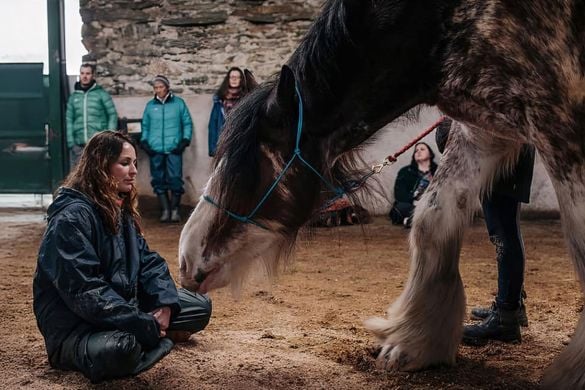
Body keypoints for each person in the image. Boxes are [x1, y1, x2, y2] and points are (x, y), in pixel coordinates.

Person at [33, 131, 211, 383]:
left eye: (135, 163)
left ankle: (154, 333)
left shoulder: (117, 206)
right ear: (100, 165)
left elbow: (149, 262)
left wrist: (164, 305)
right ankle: (154, 337)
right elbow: (85, 291)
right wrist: (139, 321)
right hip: (77, 327)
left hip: (123, 306)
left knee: (198, 306)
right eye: (125, 163)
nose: (134, 171)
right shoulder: (70, 219)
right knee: (121, 349)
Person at [435, 117, 535, 346]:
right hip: (506, 149)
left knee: (503, 234)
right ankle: (513, 305)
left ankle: (505, 317)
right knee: (506, 230)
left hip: (501, 153)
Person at [140, 75, 193, 223]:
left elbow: (187, 123)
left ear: (167, 87)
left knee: (175, 179)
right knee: (158, 179)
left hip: (174, 148)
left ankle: (175, 209)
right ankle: (165, 210)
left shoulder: (179, 104)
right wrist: (144, 141)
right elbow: (145, 125)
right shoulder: (150, 106)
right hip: (155, 149)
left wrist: (184, 140)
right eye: (156, 88)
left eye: (161, 87)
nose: (158, 90)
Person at [66, 63, 118, 168]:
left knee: (98, 176)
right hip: (79, 147)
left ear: (92, 75)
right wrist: (71, 143)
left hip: (98, 145)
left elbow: (112, 115)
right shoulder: (73, 97)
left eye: (88, 73)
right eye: (82, 73)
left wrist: (108, 138)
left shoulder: (101, 94)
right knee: (78, 178)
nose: (85, 76)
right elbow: (69, 120)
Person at [208, 67, 256, 156]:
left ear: (241, 80)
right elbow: (213, 126)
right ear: (228, 79)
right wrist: (213, 149)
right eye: (231, 77)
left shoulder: (247, 99)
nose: (234, 79)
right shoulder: (219, 101)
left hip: (241, 146)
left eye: (237, 77)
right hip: (223, 146)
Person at [388, 142, 438, 227]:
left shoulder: (438, 171)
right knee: (399, 208)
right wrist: (414, 198)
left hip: (431, 205)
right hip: (411, 206)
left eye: (422, 149)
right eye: (416, 151)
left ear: (430, 154)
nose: (418, 152)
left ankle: (412, 221)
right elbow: (399, 195)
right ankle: (423, 221)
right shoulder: (405, 172)